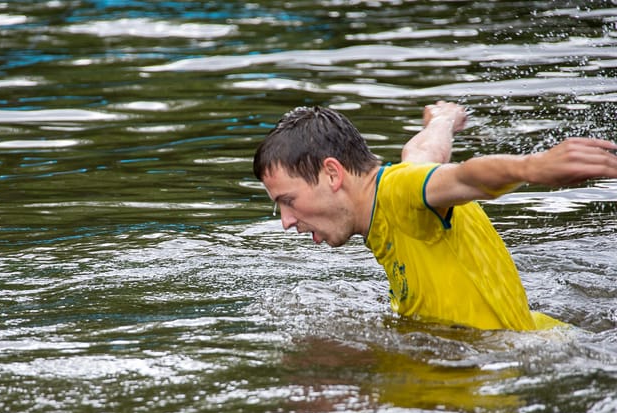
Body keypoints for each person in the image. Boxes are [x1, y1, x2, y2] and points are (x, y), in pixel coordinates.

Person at [253, 101, 617, 331]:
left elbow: (463, 177)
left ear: (332, 175)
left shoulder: (400, 192)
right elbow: (423, 152)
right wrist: (442, 120)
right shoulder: (391, 188)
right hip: (525, 338)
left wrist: (533, 167)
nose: (286, 220)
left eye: (289, 200)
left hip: (489, 371)